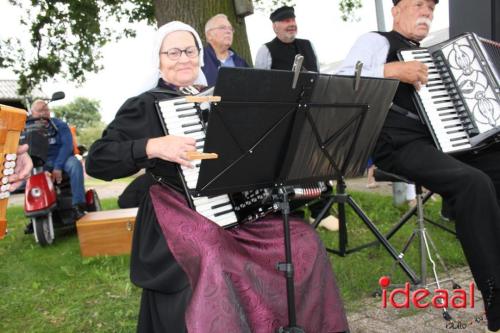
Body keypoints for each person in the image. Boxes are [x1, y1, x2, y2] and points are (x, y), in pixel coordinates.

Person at [85, 21, 348, 332]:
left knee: (304, 241)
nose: (183, 58)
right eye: (173, 52)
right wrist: (153, 146)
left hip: (238, 207)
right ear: (157, 59)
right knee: (212, 253)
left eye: (190, 50)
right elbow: (98, 161)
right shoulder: (145, 105)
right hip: (177, 209)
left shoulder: (225, 95)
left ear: (200, 55)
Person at [336, 0, 500, 331]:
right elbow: (338, 81)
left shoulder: (429, 53)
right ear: (395, 10)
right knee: (472, 184)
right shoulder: (377, 41)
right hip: (397, 144)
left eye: (431, 8)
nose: (426, 12)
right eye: (418, 5)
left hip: (441, 141)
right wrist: (389, 70)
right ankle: (496, 305)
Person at [31, 100, 87, 219]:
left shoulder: (60, 125)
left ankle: (78, 206)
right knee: (32, 175)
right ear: (32, 113)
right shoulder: (27, 128)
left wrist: (58, 167)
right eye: (40, 110)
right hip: (42, 162)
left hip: (62, 158)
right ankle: (36, 212)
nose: (43, 113)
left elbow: (67, 146)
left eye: (46, 110)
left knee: (75, 164)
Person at [254, 5, 319, 72]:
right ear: (275, 27)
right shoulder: (265, 50)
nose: (292, 24)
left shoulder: (308, 44)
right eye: (287, 21)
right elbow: (260, 80)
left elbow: (319, 76)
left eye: (293, 20)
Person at [202, 13, 249, 86]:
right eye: (222, 28)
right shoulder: (198, 60)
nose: (228, 31)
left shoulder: (241, 63)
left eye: (230, 29)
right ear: (209, 35)